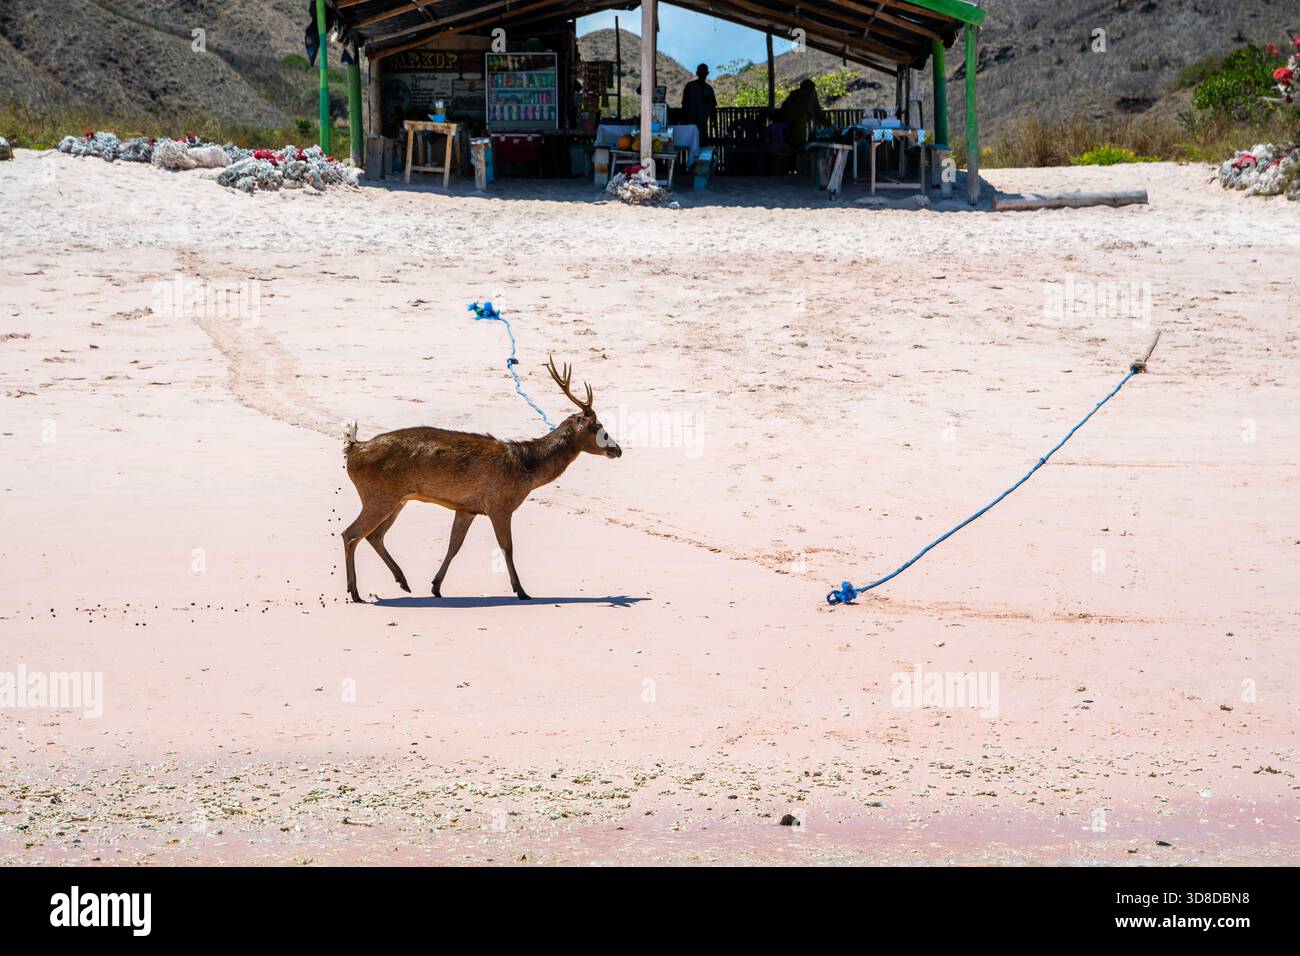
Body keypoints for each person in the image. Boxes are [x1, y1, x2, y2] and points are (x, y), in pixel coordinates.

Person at [774, 79, 827, 151]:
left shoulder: (800, 96)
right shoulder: (798, 97)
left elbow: (818, 113)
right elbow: (817, 113)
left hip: (792, 130)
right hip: (791, 129)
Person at [681, 63, 717, 135]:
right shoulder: (690, 86)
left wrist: (714, 122)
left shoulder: (709, 89)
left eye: (704, 72)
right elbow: (684, 104)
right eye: (701, 71)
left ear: (707, 73)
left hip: (703, 123)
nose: (702, 74)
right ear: (697, 73)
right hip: (691, 122)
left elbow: (713, 107)